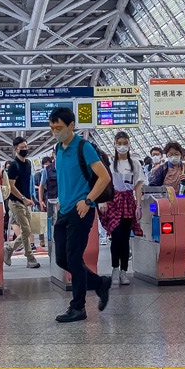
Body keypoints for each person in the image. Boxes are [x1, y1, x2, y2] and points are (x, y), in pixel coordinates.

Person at [49, 106, 112, 323]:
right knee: (62, 258)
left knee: (74, 258)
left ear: (71, 125)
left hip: (82, 210)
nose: (55, 131)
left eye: (58, 127)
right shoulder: (57, 149)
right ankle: (99, 283)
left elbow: (104, 177)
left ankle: (78, 307)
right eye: (52, 128)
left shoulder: (84, 147)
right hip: (64, 210)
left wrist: (88, 200)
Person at [100, 131, 143, 286]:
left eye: (125, 143)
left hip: (128, 201)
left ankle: (124, 270)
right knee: (116, 236)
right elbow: (104, 184)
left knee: (125, 238)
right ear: (115, 144)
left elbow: (138, 185)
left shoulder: (135, 163)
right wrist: (102, 201)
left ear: (129, 144)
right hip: (113, 200)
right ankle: (114, 268)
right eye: (120, 143)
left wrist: (138, 205)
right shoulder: (110, 164)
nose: (122, 146)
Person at [6, 136, 42, 268]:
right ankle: (28, 257)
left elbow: (27, 183)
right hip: (16, 202)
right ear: (16, 149)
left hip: (26, 201)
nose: (25, 149)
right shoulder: (13, 166)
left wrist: (30, 198)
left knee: (28, 230)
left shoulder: (28, 164)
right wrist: (23, 198)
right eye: (22, 148)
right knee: (26, 230)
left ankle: (15, 251)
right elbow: (11, 186)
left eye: (26, 147)